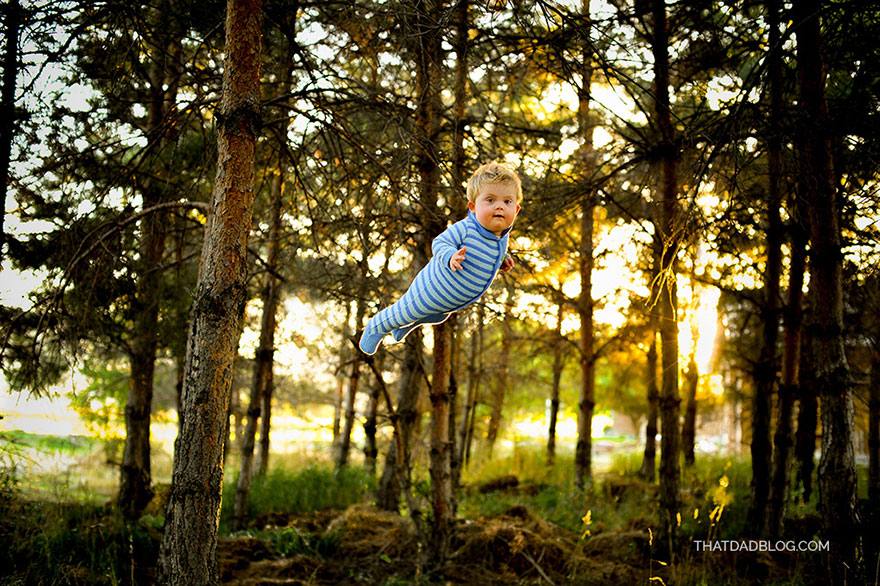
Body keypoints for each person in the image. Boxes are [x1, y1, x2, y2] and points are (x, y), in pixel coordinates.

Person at [358, 162, 522, 355]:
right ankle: (376, 326)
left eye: (507, 202)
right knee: (404, 311)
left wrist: (503, 260)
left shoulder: (500, 237)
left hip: (449, 302)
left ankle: (404, 327)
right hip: (431, 289)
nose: (499, 207)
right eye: (490, 200)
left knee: (436, 316)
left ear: (516, 209)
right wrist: (450, 256)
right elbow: (439, 243)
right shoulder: (466, 228)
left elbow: (493, 252)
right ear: (473, 206)